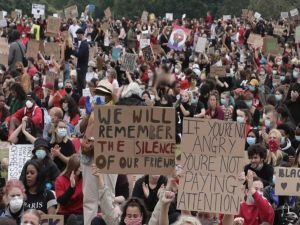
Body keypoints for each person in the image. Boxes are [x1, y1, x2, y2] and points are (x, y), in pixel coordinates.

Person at [55, 154, 83, 224]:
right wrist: (71, 187)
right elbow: (61, 201)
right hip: (65, 214)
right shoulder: (60, 180)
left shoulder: (84, 179)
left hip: (81, 214)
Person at [72, 28, 89, 96]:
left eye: (77, 35)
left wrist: (72, 50)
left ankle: (83, 98)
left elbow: (79, 55)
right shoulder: (83, 43)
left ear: (81, 34)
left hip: (82, 68)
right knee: (80, 85)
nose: (77, 37)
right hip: (81, 67)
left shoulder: (84, 44)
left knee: (81, 85)